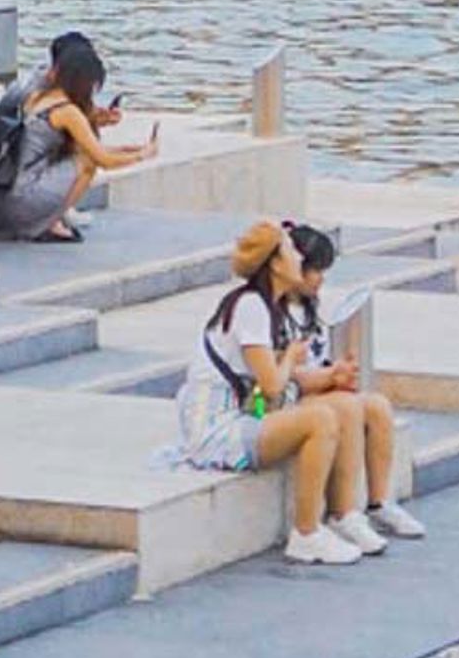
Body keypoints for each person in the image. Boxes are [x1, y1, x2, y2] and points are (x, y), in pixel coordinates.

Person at [158, 220, 369, 566]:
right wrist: (289, 357)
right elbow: (272, 384)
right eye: (289, 250)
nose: (298, 256)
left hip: (243, 412)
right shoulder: (251, 307)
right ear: (273, 262)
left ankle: (344, 514)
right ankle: (306, 533)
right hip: (216, 427)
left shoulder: (268, 306)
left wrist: (330, 376)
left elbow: (273, 385)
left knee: (342, 406)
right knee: (320, 419)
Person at [284, 223, 427, 541]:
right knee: (346, 407)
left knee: (376, 406)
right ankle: (343, 513)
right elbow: (283, 376)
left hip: (317, 384)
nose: (320, 279)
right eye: (315, 270)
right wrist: (330, 378)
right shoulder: (273, 314)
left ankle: (378, 503)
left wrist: (339, 369)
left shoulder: (310, 310)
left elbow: (318, 359)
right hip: (291, 396)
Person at [0, 41, 156, 242]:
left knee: (81, 154)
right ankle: (49, 223)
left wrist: (127, 149)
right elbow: (102, 159)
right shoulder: (68, 112)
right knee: (87, 162)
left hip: (6, 199)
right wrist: (143, 155)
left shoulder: (37, 97)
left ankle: (45, 221)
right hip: (26, 202)